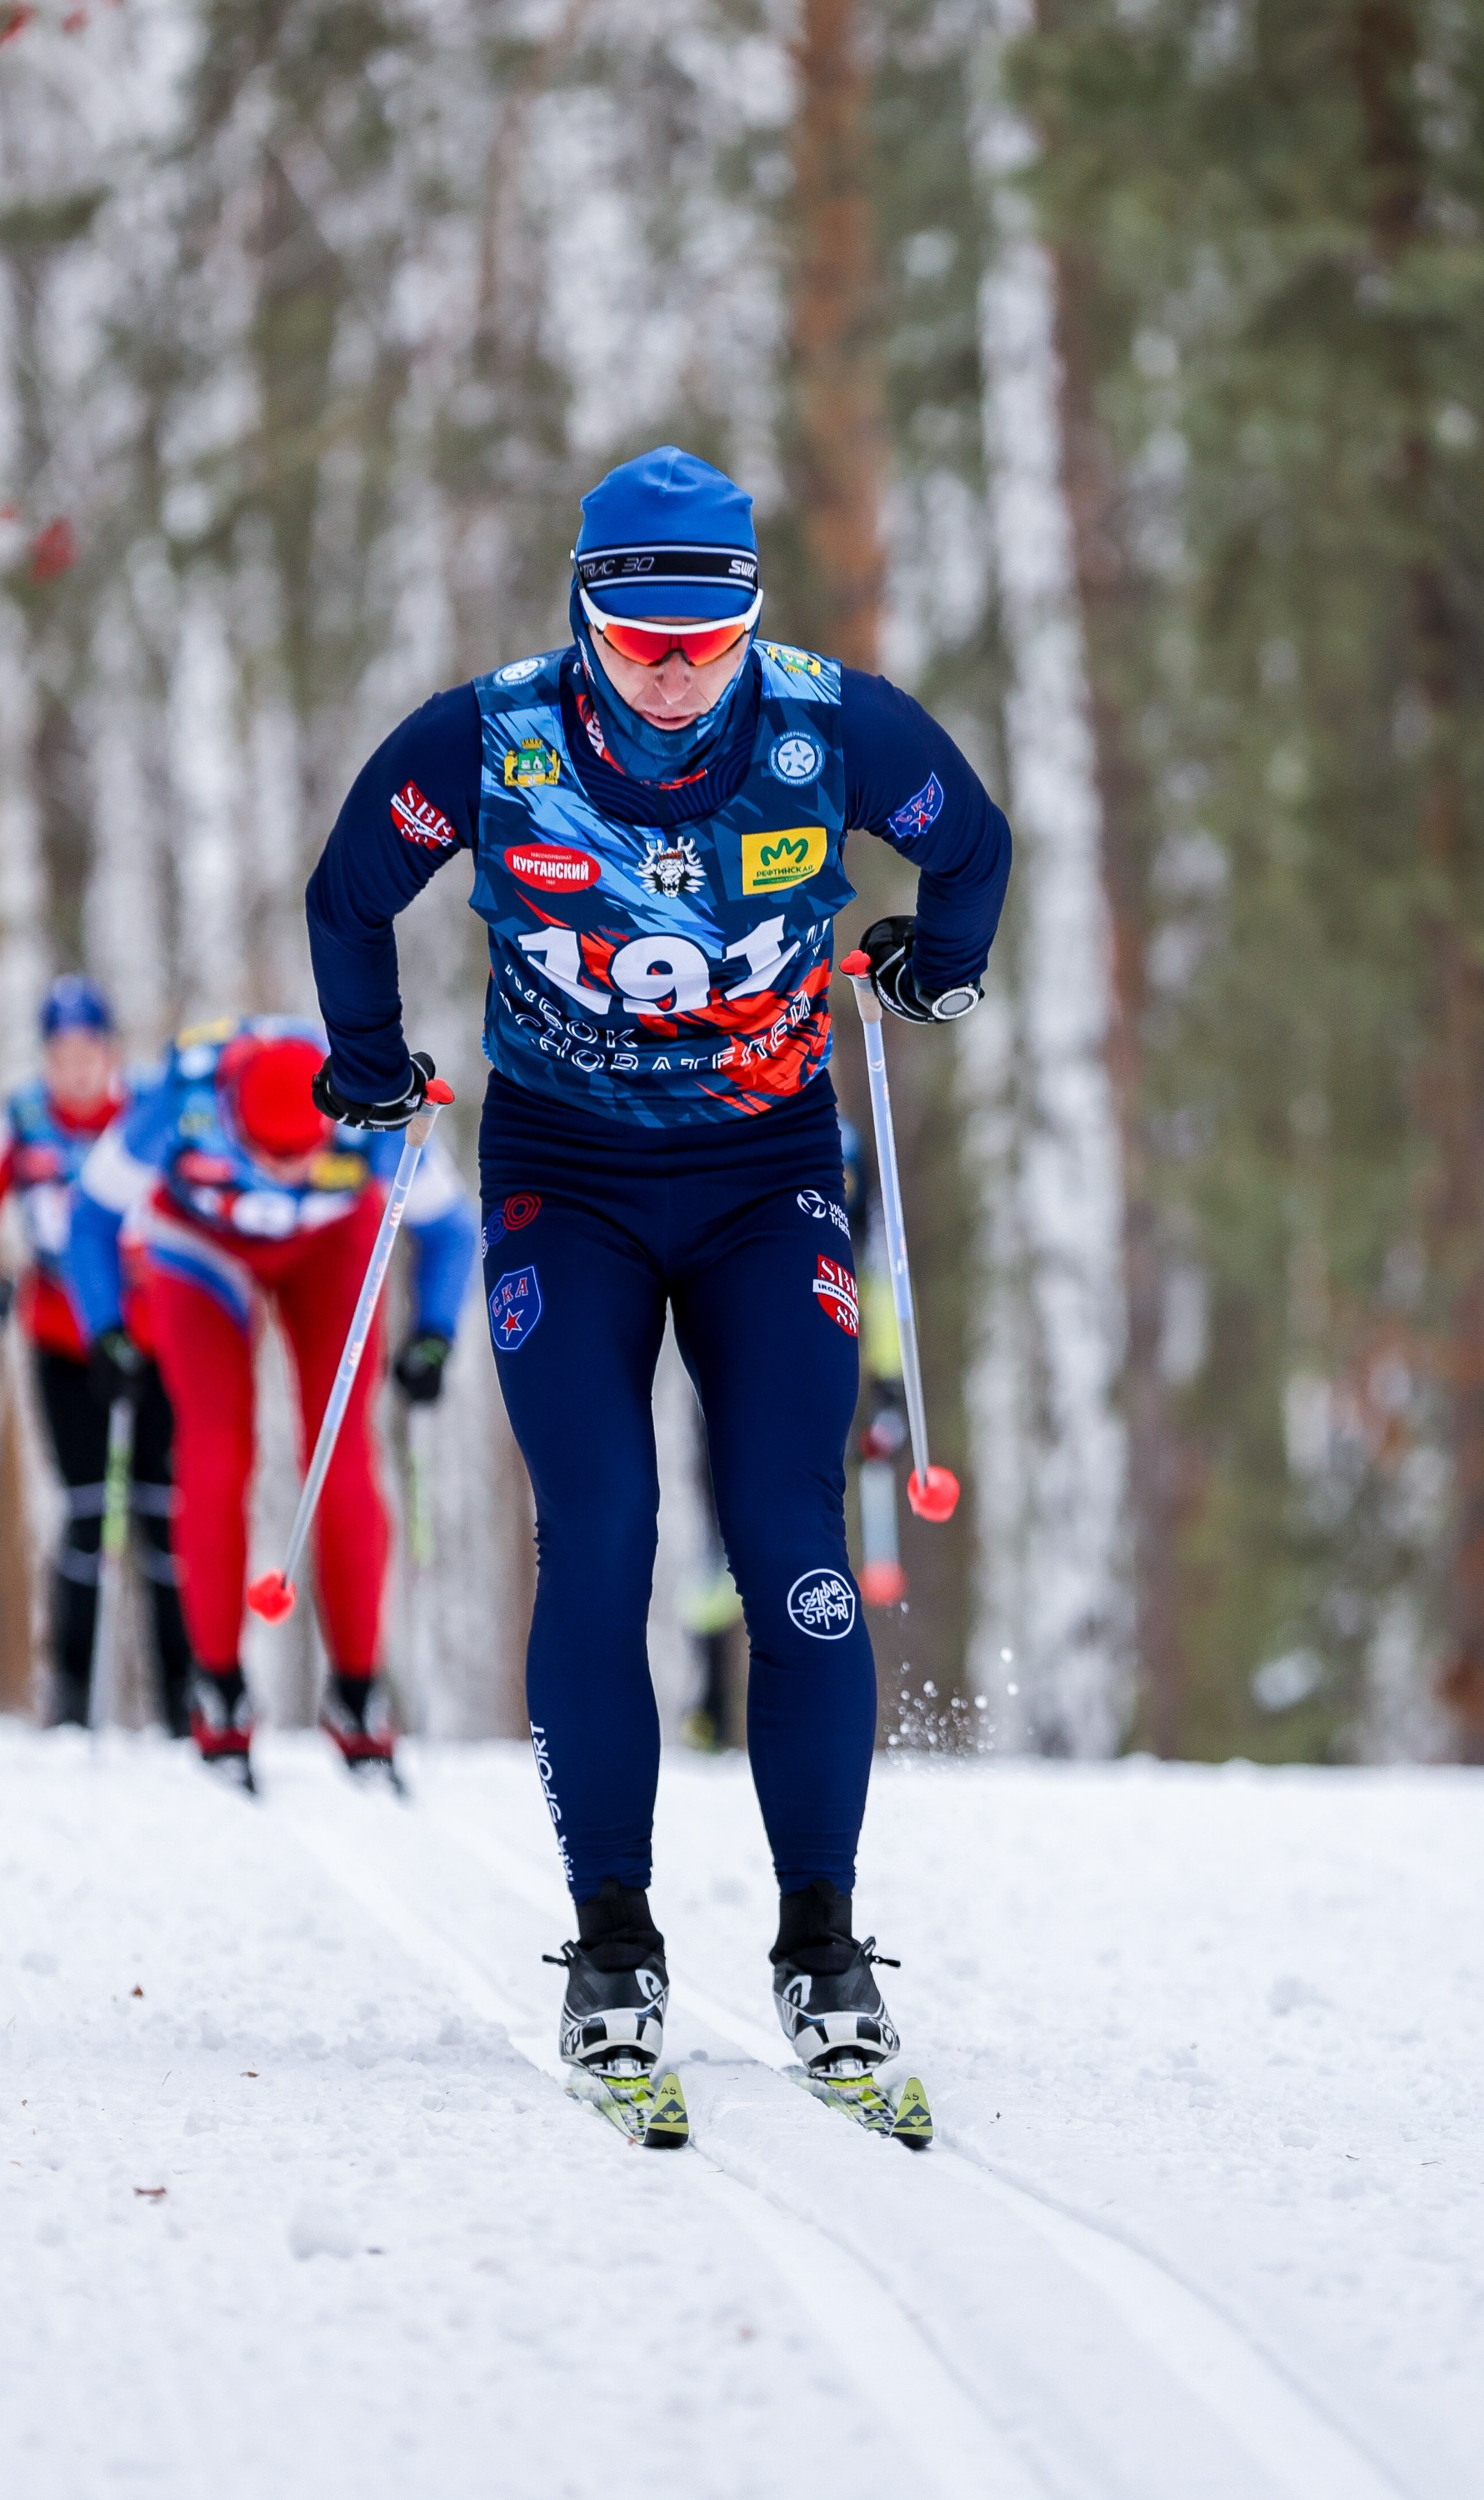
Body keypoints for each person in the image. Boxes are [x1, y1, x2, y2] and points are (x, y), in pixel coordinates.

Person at [305, 445, 1012, 2092]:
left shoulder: (830, 725)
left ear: (752, 617)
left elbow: (968, 845)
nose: (681, 671)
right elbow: (350, 892)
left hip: (770, 1181)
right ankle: (611, 1934)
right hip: (570, 1179)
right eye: (644, 638)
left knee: (792, 1542)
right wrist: (366, 1059)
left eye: (713, 632)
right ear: (585, 612)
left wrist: (935, 970)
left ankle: (821, 1943)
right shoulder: (490, 737)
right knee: (604, 1530)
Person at [63, 1014, 476, 1792]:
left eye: (303, 1157)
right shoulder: (178, 1099)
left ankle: (358, 1692)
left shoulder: (375, 1106)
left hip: (330, 1247)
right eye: (267, 1158)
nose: (284, 1175)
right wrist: (106, 1331)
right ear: (229, 1121)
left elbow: (451, 1230)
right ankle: (218, 1686)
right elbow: (92, 1218)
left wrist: (434, 1335)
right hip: (201, 1248)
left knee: (342, 1462)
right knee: (216, 1460)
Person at [0, 975, 192, 1732]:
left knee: (163, 1513)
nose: (77, 1068)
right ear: (47, 1057)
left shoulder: (148, 1112)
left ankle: (182, 1693)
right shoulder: (16, 1121)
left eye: (90, 1050)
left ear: (110, 1051)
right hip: (63, 1339)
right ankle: (72, 1691)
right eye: (62, 1053)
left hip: (160, 1339)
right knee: (84, 1510)